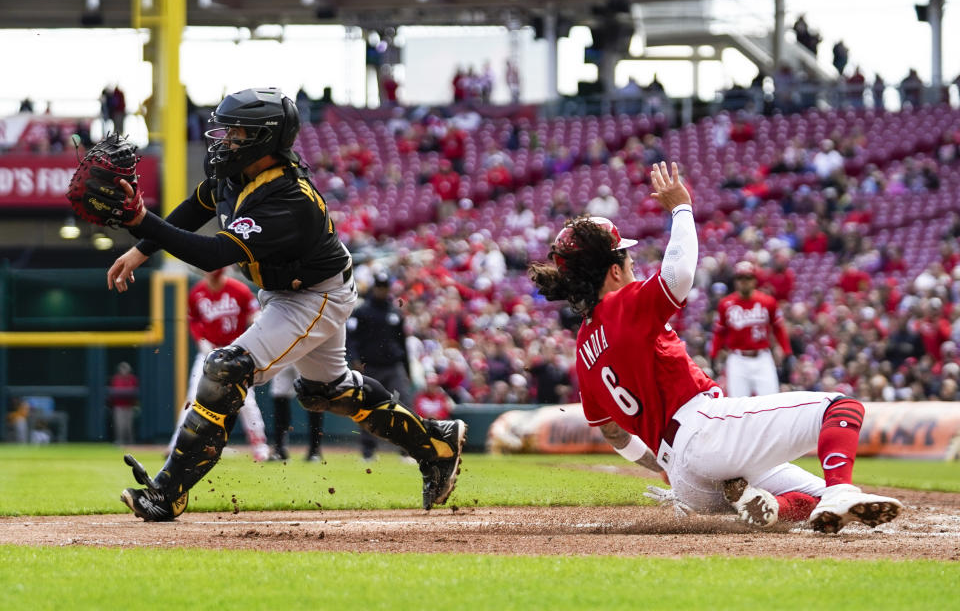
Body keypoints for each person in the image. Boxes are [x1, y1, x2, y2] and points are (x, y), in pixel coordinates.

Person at [106, 87, 466, 521]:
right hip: (289, 290)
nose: (224, 140)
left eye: (237, 132)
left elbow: (213, 255)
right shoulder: (235, 175)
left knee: (226, 369)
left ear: (264, 139)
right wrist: (140, 249)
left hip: (315, 293)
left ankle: (166, 492)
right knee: (326, 391)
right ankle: (437, 443)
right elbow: (192, 208)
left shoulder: (288, 198)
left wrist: (141, 221)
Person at [529, 161, 902, 533]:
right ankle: (841, 491)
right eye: (626, 257)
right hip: (704, 432)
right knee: (839, 407)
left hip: (686, 481)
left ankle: (774, 506)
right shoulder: (622, 303)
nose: (632, 264)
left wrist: (663, 468)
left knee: (818, 500)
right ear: (614, 270)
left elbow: (613, 434)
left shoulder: (583, 347)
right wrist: (681, 207)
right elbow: (680, 275)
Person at [166, 267, 270, 462]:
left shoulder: (238, 289)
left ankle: (260, 445)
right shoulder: (197, 292)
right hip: (209, 353)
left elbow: (254, 314)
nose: (211, 275)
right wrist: (201, 340)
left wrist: (256, 325)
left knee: (246, 401)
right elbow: (194, 320)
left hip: (236, 351)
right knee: (193, 398)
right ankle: (176, 444)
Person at [346, 272, 414, 461]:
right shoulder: (362, 312)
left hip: (394, 366)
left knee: (403, 405)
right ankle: (368, 452)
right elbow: (351, 339)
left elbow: (403, 344)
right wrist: (355, 359)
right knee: (368, 407)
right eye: (379, 287)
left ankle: (406, 450)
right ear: (374, 288)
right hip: (371, 367)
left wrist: (407, 370)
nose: (382, 291)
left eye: (385, 288)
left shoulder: (395, 312)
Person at [709, 261, 792, 397]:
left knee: (771, 401)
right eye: (740, 278)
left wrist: (787, 352)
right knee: (738, 405)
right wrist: (713, 355)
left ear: (754, 280)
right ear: (735, 281)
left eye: (747, 278)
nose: (744, 282)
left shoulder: (767, 302)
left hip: (762, 357)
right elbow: (719, 332)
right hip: (737, 359)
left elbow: (778, 328)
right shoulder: (726, 304)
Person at [268, 365, 325, 462]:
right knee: (280, 396)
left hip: (305, 355)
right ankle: (279, 450)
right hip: (284, 356)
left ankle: (314, 451)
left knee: (313, 398)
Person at [108, 362, 139, 445]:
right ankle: (119, 441)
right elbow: (114, 392)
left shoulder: (132, 379)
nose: (124, 371)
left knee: (129, 426)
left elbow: (134, 391)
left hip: (129, 406)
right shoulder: (116, 378)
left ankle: (130, 442)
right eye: (122, 369)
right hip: (119, 406)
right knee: (119, 425)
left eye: (126, 369)